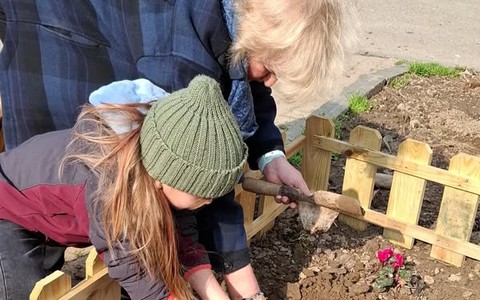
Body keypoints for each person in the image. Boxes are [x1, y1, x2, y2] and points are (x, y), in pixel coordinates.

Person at [0, 0, 355, 298]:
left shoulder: (164, 177)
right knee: (23, 286)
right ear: (164, 177)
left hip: (61, 208)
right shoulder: (114, 196)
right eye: (270, 68)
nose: (271, 81)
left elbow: (186, 238)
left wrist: (270, 154)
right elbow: (136, 271)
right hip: (9, 214)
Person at [0, 75, 268, 299]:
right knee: (25, 291)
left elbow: (183, 237)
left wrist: (215, 295)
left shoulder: (155, 165)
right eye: (202, 193)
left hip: (50, 216)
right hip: (7, 208)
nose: (209, 202)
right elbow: (128, 263)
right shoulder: (107, 183)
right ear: (165, 176)